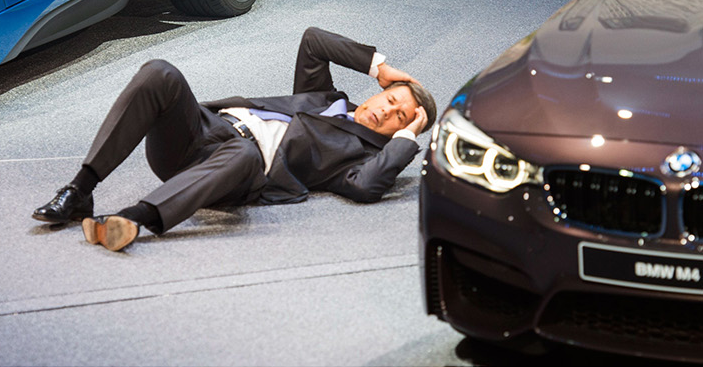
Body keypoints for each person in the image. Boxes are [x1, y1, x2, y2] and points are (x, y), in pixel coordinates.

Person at [31, 25, 436, 249]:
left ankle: (133, 220)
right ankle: (80, 190)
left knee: (243, 152)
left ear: (394, 131)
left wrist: (407, 136)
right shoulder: (326, 96)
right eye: (389, 98)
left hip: (236, 169)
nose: (385, 110)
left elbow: (367, 187)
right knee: (160, 72)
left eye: (396, 116)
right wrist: (377, 65)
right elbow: (314, 41)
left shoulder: (361, 156)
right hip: (204, 131)